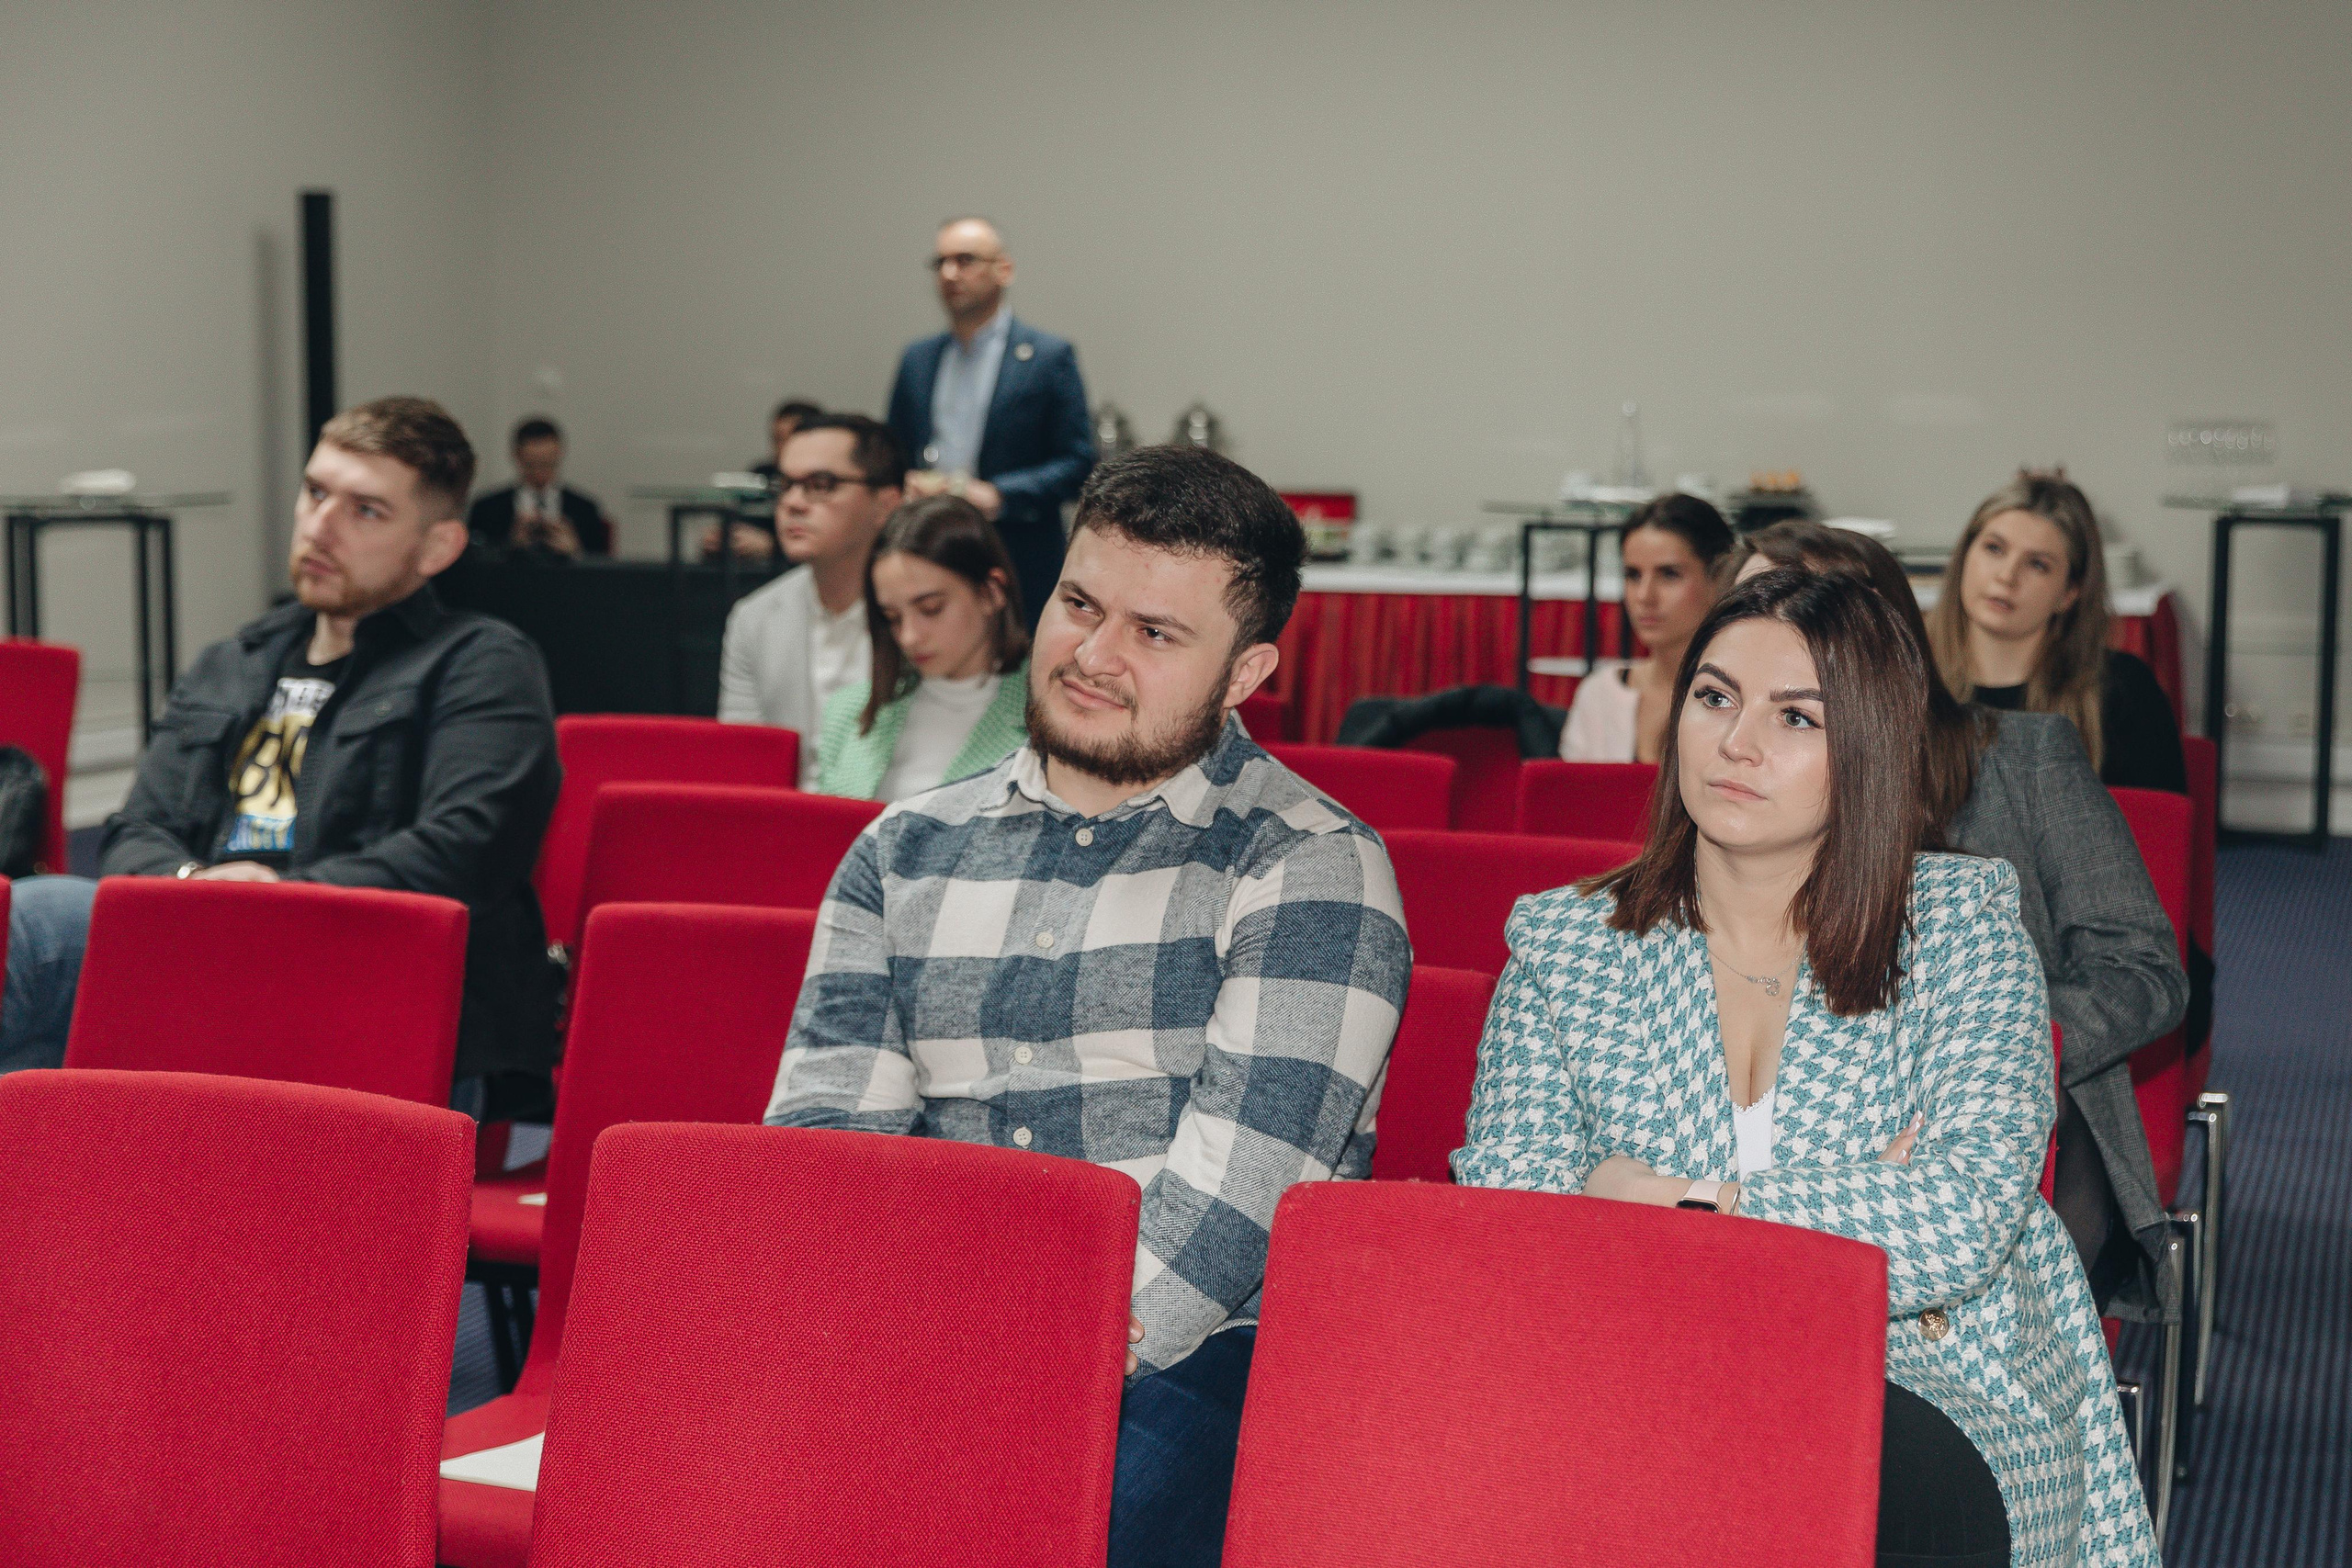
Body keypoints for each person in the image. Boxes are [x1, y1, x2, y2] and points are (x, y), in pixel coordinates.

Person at [767, 445, 1411, 1568]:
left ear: (1247, 672)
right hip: (917, 1321)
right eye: (1079, 603)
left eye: (1155, 634)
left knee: (1028, 1524)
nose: (1092, 656)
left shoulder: (1311, 868)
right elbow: (826, 1143)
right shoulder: (901, 850)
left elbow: (1230, 1214)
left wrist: (1002, 1373)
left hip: (1181, 1353)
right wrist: (888, 1341)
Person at [1455, 570, 2160, 1568]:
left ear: (1869, 747)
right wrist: (1860, 1197)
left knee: (1858, 1498)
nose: (1736, 743)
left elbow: (1960, 1220)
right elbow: (1512, 1212)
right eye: (1713, 697)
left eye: (1795, 717)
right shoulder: (1566, 941)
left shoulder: (1961, 925)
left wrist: (1675, 1201)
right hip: (1635, 1358)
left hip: (1918, 1364)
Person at [0, 397, 562, 1114]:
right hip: (198, 959)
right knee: (32, 991)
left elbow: (464, 852)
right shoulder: (233, 661)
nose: (319, 526)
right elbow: (133, 833)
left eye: (366, 511)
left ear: (438, 548)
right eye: (316, 492)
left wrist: (274, 897)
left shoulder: (480, 665)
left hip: (367, 984)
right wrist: (199, 885)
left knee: (41, 918)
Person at [1736, 521, 2186, 1318]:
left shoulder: (2024, 755)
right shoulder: (1731, 784)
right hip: (1800, 1137)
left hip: (2022, 1136)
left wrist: (1979, 1055)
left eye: (1785, 611)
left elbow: (2143, 972)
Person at [887, 217, 1095, 629]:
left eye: (965, 260)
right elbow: (893, 451)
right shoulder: (918, 359)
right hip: (930, 549)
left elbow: (1077, 462)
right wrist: (905, 481)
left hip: (1017, 554)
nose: (950, 274)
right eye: (941, 262)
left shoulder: (1046, 356)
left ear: (1004, 270)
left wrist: (999, 495)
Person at [1927, 470, 2185, 795]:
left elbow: (2159, 836)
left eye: (2037, 564)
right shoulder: (1909, 678)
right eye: (1994, 549)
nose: (2007, 576)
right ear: (1964, 556)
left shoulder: (2123, 691)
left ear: (2069, 593)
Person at [717, 414, 906, 787]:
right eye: (785, 485)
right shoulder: (755, 617)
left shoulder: (925, 614)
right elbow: (741, 766)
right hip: (785, 829)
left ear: (886, 504)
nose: (792, 503)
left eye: (820, 485)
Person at [813, 495, 1030, 802]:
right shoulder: (849, 713)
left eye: (931, 609)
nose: (909, 637)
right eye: (893, 618)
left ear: (991, 592)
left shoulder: (1048, 718)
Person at [1559, 493, 1735, 762]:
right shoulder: (1598, 694)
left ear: (1720, 577)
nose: (1644, 596)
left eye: (1669, 574)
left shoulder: (1742, 700)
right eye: (1633, 575)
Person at [465, 416, 614, 559]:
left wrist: (575, 551)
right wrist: (511, 545)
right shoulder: (486, 508)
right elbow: (474, 564)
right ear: (517, 456)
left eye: (548, 464)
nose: (540, 473)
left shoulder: (585, 509)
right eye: (531, 465)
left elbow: (603, 567)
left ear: (559, 455)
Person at [715, 398, 824, 559]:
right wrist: (722, 539)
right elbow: (743, 518)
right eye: (777, 439)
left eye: (789, 439)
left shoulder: (825, 481)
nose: (782, 448)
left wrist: (773, 547)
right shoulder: (762, 474)